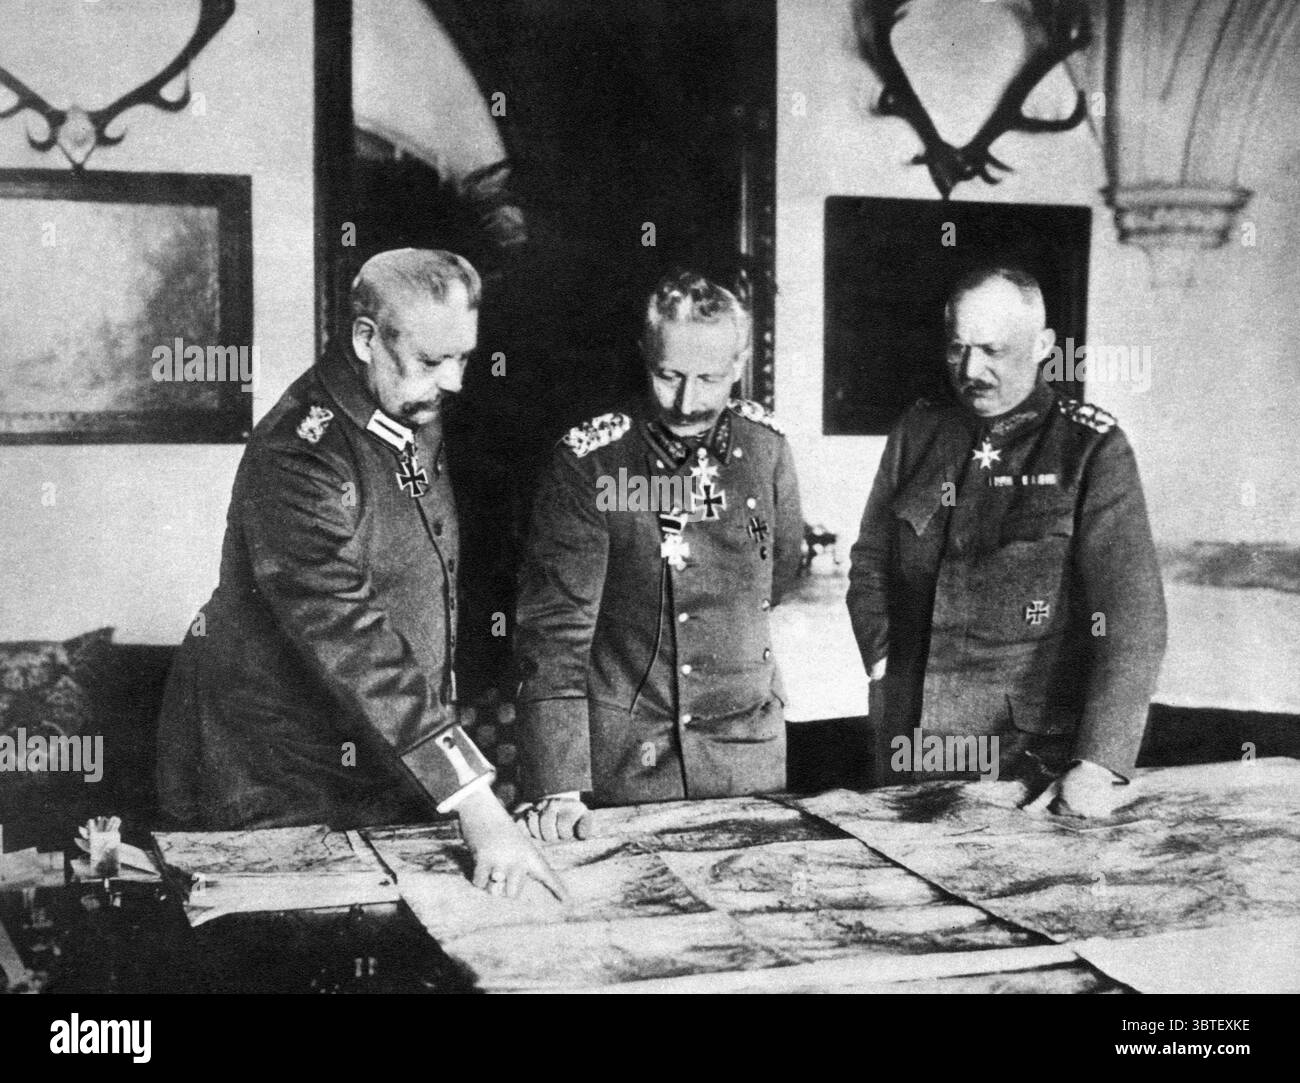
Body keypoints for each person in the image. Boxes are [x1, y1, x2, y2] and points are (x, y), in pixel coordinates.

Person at [156, 248, 563, 899]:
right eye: (432, 360)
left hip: (379, 753)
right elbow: (351, 633)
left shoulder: (408, 405)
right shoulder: (299, 454)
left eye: (463, 357)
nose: (454, 382)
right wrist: (477, 801)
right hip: (273, 771)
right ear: (364, 338)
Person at [846, 265, 1166, 817]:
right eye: (957, 349)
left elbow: (1133, 619)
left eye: (993, 349)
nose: (972, 370)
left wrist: (1098, 763)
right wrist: (884, 661)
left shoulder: (1089, 449)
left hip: (1025, 760)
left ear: (1043, 346)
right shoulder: (920, 431)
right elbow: (871, 562)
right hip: (910, 742)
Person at [513, 269, 803, 840]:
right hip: (628, 759)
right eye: (668, 375)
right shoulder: (594, 461)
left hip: (746, 754)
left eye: (710, 379)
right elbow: (555, 627)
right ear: (645, 353)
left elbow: (781, 575)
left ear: (740, 364)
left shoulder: (766, 450)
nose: (688, 401)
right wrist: (559, 783)